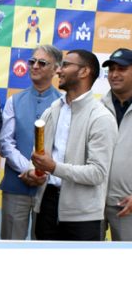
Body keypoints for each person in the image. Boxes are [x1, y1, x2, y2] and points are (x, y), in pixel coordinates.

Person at [26, 50, 117, 241]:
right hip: (46, 206)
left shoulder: (101, 118)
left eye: (66, 65)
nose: (58, 70)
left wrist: (53, 167)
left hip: (83, 216)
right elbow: (37, 157)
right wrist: (33, 172)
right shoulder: (51, 111)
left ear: (84, 72)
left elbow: (97, 173)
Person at [0, 45, 62, 240]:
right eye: (32, 61)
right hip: (17, 184)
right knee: (10, 245)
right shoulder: (13, 100)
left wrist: (42, 173)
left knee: (43, 248)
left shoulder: (64, 103)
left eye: (42, 63)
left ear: (56, 69)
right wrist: (27, 169)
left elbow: (63, 147)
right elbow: (5, 143)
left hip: (49, 188)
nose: (35, 66)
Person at [100, 49, 132, 240]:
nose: (114, 74)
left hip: (127, 204)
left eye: (121, 69)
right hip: (94, 202)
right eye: (111, 69)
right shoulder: (97, 107)